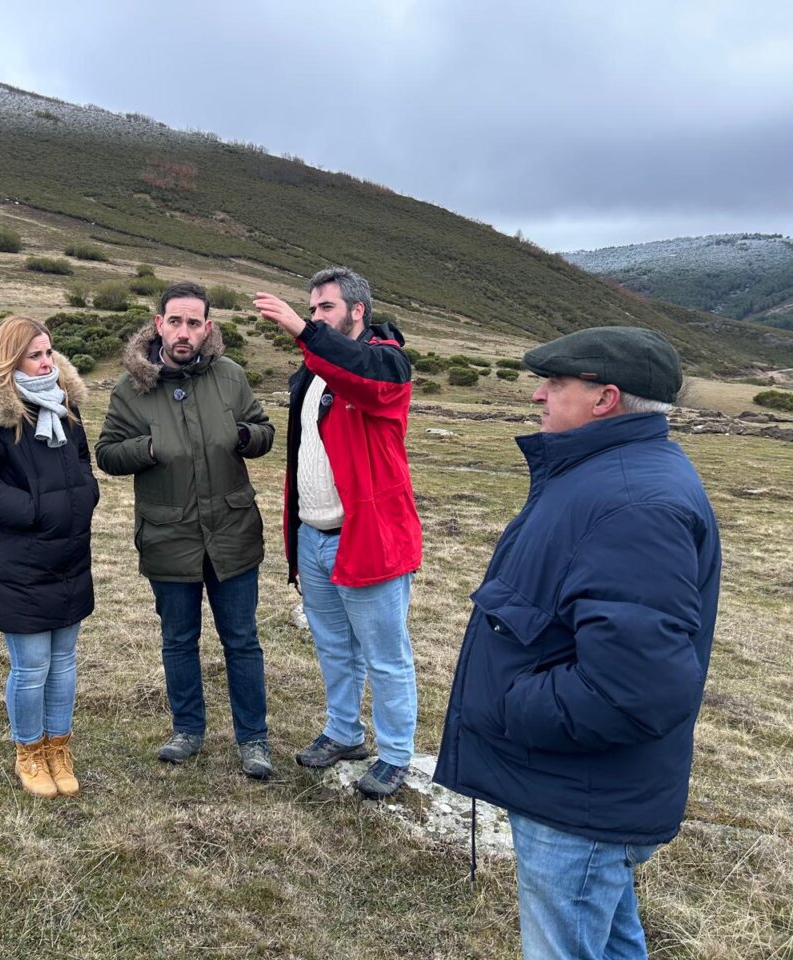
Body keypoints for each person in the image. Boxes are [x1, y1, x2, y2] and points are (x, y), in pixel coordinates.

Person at [434, 326, 721, 959]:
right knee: (611, 940)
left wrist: (510, 706)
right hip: (581, 788)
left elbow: (632, 690)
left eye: (555, 383)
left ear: (604, 398)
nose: (538, 395)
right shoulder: (606, 475)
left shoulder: (631, 504)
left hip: (577, 800)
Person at [96, 281, 276, 778]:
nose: (183, 331)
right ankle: (187, 730)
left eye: (193, 323)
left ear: (207, 328)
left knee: (242, 640)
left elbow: (263, 430)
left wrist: (246, 435)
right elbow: (107, 453)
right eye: (175, 321)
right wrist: (149, 449)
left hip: (232, 533)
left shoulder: (230, 375)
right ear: (159, 325)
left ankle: (254, 739)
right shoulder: (130, 388)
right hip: (168, 536)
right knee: (178, 639)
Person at [254, 267, 422, 797]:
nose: (316, 316)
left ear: (357, 310)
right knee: (332, 646)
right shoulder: (312, 370)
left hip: (367, 535)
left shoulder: (387, 363)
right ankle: (344, 732)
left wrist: (304, 332)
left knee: (385, 655)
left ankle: (396, 754)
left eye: (326, 307)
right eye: (311, 309)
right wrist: (312, 342)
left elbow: (365, 376)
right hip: (314, 534)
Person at [0, 316, 99, 799]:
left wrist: (83, 496)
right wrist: (37, 511)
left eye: (49, 352)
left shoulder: (66, 404)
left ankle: (59, 748)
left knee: (64, 662)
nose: (46, 362)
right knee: (32, 665)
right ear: (11, 360)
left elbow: (82, 462)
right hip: (19, 561)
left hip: (69, 555)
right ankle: (29, 751)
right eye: (35, 355)